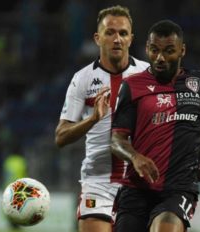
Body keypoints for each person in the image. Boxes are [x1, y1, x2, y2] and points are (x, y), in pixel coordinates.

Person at [111, 20, 200, 232]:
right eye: (154, 50)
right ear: (147, 49)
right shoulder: (132, 86)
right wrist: (135, 157)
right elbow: (117, 140)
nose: (160, 58)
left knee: (166, 227)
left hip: (179, 187)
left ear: (182, 50)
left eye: (169, 51)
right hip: (136, 188)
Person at [54, 5, 149, 232]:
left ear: (131, 38)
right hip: (98, 181)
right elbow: (60, 137)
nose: (117, 39)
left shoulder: (148, 75)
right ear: (98, 38)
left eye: (123, 33)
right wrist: (92, 119)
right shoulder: (83, 79)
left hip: (139, 182)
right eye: (110, 32)